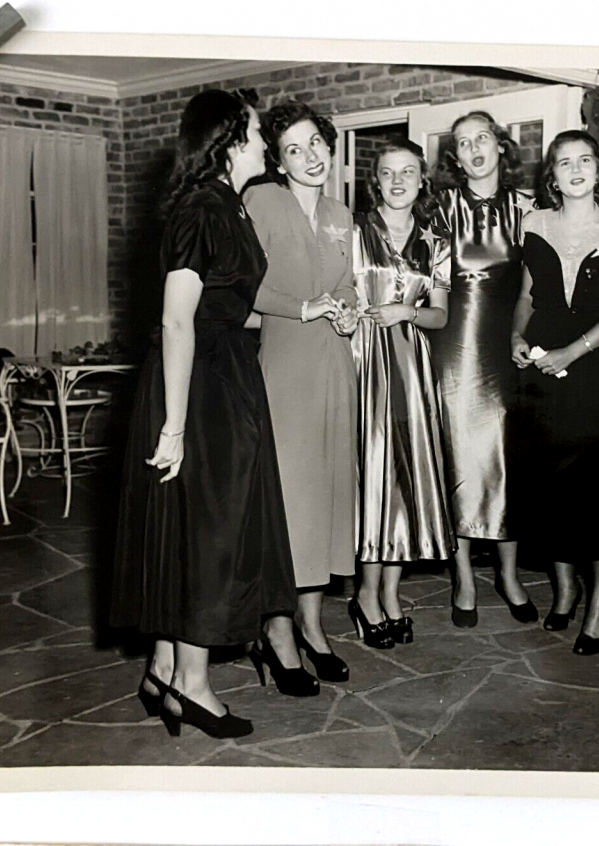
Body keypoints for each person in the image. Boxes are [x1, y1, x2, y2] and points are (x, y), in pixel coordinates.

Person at [110, 90, 331, 739]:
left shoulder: (226, 204)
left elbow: (230, 304)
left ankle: (168, 671)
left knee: (203, 531)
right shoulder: (203, 206)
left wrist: (309, 312)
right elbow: (177, 319)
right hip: (199, 383)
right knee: (209, 537)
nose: (266, 142)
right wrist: (175, 427)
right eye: (259, 133)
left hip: (227, 372)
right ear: (231, 139)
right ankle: (193, 685)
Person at [512, 129, 599, 654]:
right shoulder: (534, 223)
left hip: (593, 368)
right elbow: (525, 296)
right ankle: (564, 590)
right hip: (541, 370)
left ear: (598, 170)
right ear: (553, 174)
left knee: (596, 486)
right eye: (563, 162)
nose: (574, 169)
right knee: (549, 485)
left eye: (584, 160)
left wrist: (575, 350)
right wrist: (516, 337)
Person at [244, 101, 357, 684]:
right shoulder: (262, 202)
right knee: (289, 503)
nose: (310, 157)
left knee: (328, 500)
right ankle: (278, 630)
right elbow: (243, 282)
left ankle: (313, 625)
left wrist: (350, 312)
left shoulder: (341, 212)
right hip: (284, 364)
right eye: (294, 149)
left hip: (334, 365)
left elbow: (347, 286)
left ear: (329, 146)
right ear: (278, 162)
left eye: (315, 143)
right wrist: (303, 307)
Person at [430, 111, 537, 628]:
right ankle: (465, 577)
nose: (474, 148)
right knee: (457, 461)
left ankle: (508, 574)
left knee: (506, 462)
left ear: (501, 145)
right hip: (451, 347)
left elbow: (536, 290)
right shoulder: (440, 208)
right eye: (463, 142)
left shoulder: (528, 209)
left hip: (504, 346)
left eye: (482, 138)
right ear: (455, 155)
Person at [349, 138, 455, 649]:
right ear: (377, 180)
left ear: (421, 181)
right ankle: (366, 595)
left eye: (408, 172)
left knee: (404, 482)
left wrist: (406, 312)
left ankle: (390, 594)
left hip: (411, 367)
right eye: (388, 173)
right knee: (373, 479)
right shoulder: (351, 233)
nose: (397, 182)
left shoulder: (436, 242)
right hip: (363, 363)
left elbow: (440, 315)